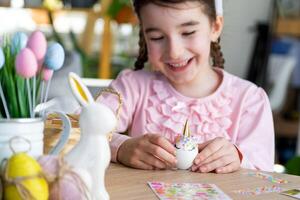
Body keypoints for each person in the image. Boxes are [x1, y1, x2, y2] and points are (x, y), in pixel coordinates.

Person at [97, 0, 274, 173]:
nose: (174, 52)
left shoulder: (250, 100)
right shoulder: (131, 87)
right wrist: (120, 148)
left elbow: (264, 173)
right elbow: (76, 128)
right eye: (156, 37)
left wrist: (237, 157)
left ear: (215, 27)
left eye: (188, 32)